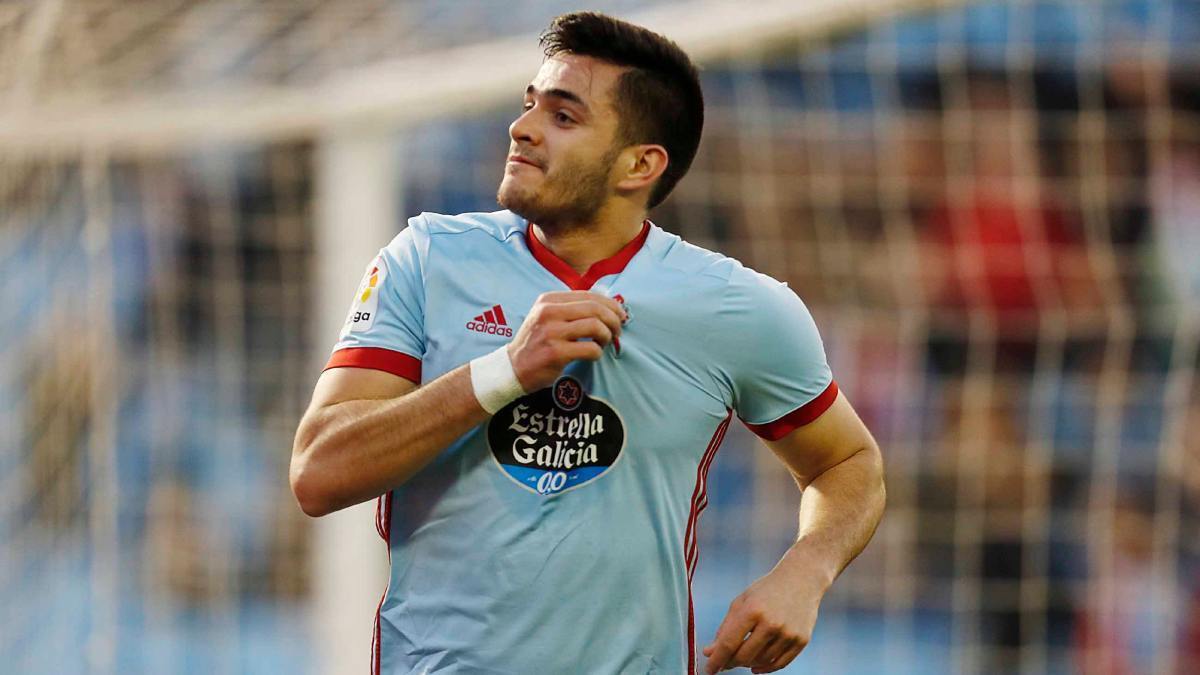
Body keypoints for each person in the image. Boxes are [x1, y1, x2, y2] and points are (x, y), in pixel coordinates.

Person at [290, 12, 885, 675]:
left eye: (563, 116)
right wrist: (503, 372)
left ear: (639, 164)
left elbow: (850, 462)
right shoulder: (426, 260)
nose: (522, 127)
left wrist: (806, 569)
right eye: (529, 104)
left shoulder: (739, 306)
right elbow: (317, 472)